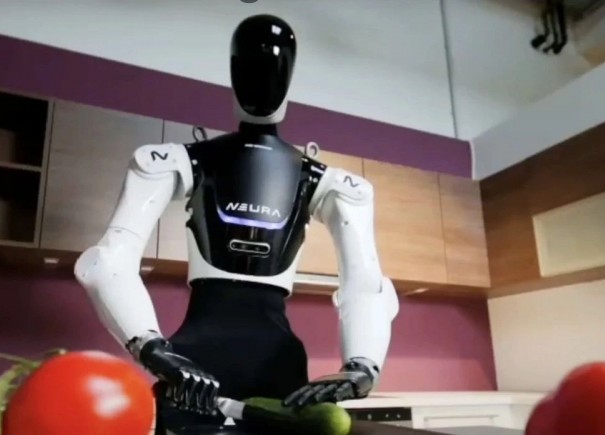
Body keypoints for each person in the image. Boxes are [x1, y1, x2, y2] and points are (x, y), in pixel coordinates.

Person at [73, 14, 400, 434]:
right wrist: (151, 347)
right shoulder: (172, 162)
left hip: (269, 376)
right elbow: (108, 262)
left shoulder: (334, 186)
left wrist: (362, 365)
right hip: (190, 371)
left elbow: (367, 286)